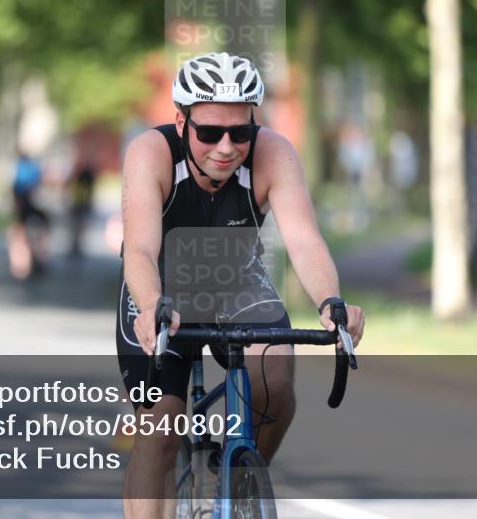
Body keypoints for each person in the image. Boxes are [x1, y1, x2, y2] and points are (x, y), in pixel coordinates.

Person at [116, 52, 365, 518]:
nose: (226, 147)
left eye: (241, 131)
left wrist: (331, 302)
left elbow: (305, 240)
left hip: (236, 282)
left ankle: (242, 483)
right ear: (181, 122)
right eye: (210, 132)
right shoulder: (151, 153)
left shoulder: (275, 153)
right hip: (161, 288)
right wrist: (151, 305)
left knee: (274, 381)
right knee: (161, 429)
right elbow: (141, 251)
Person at [8, 152, 51, 278]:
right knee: (38, 232)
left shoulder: (21, 171)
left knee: (20, 233)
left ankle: (22, 262)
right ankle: (37, 257)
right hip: (32, 209)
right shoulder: (33, 170)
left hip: (26, 209)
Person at [68, 161, 97, 258]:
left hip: (81, 203)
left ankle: (76, 246)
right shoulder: (83, 175)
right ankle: (75, 246)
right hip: (79, 203)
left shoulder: (85, 175)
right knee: (77, 226)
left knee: (79, 226)